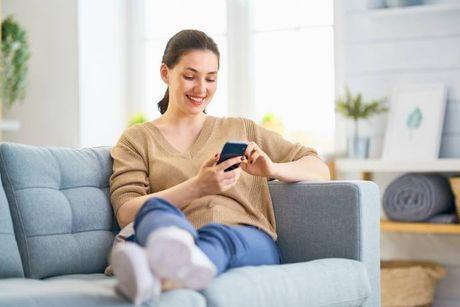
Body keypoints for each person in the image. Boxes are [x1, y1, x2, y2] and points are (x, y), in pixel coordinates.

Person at [109, 29, 330, 304]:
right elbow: (127, 211)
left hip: (245, 238)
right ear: (165, 73)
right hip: (180, 231)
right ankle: (168, 263)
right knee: (155, 209)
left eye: (210, 79)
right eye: (190, 76)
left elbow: (319, 167)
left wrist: (271, 169)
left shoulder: (240, 128)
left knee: (217, 235)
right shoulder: (137, 138)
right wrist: (199, 186)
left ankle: (153, 273)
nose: (201, 89)